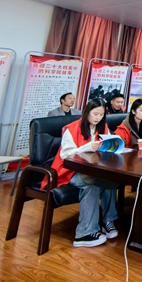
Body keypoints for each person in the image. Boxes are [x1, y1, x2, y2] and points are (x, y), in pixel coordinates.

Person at [41, 98, 118, 247]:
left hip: (91, 169)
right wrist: (88, 147)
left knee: (109, 180)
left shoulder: (103, 127)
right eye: (95, 114)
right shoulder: (72, 128)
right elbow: (65, 154)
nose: (98, 118)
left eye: (101, 115)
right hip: (68, 171)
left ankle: (108, 221)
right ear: (87, 112)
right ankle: (84, 233)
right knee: (92, 184)